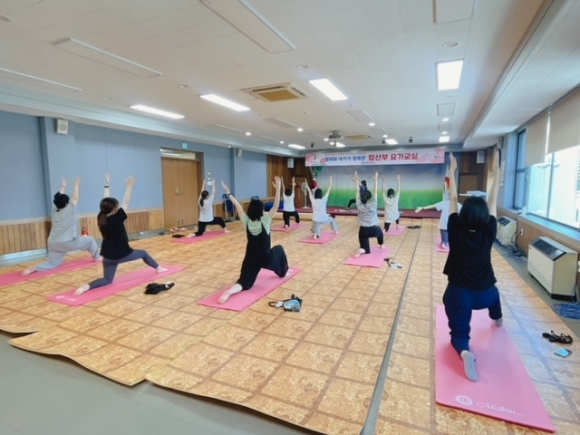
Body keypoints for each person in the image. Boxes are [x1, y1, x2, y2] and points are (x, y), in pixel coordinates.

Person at [442, 151, 502, 382]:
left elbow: (453, 199)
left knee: (459, 333)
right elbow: (493, 201)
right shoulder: (488, 232)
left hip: (459, 295)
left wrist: (452, 170)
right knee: (496, 293)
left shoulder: (455, 228)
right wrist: (497, 173)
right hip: (486, 293)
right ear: (485, 217)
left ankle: (465, 352)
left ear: (464, 213)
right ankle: (497, 317)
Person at [74, 176, 166, 295]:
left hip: (107, 257)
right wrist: (129, 186)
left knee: (107, 279)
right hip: (121, 255)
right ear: (114, 209)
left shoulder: (101, 217)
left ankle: (87, 286)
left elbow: (106, 201)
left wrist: (107, 185)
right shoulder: (117, 218)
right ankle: (159, 268)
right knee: (143, 253)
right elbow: (126, 202)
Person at [218, 177, 289, 304]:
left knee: (244, 282)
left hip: (250, 258)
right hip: (265, 258)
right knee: (279, 249)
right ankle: (282, 272)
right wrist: (278, 187)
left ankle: (229, 292)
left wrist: (228, 193)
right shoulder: (265, 220)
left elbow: (237, 205)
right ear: (261, 210)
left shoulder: (246, 221)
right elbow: (276, 205)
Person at [22, 178, 101, 276]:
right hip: (68, 242)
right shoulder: (69, 210)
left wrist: (63, 187)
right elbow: (75, 198)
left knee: (53, 263)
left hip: (53, 243)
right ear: (67, 203)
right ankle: (97, 257)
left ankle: (35, 268)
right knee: (90, 240)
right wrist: (76, 185)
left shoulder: (55, 211)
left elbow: (58, 198)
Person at [415, 185, 462, 250]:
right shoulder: (457, 205)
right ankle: (445, 243)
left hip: (446, 226)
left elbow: (433, 206)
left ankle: (444, 243)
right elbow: (464, 213)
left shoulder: (450, 204)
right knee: (450, 240)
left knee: (446, 241)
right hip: (449, 226)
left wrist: (422, 208)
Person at [352, 171, 384, 257]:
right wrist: (375, 179)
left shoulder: (359, 204)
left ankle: (362, 249)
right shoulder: (373, 204)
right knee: (380, 232)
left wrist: (356, 182)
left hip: (363, 230)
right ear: (370, 198)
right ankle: (381, 244)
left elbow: (357, 191)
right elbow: (375, 191)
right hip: (373, 229)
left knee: (365, 249)